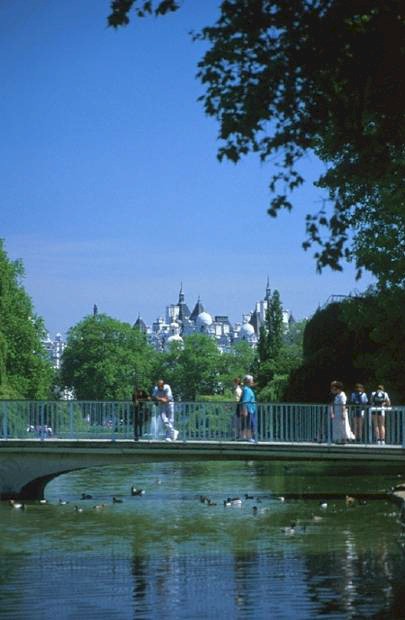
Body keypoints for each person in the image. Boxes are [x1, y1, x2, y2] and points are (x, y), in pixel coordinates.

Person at [239, 375, 257, 442]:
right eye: (252, 380)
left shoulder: (248, 389)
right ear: (248, 381)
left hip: (251, 410)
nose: (253, 382)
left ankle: (248, 437)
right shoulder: (246, 389)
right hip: (249, 410)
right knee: (249, 424)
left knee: (250, 423)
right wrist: (245, 410)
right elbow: (245, 401)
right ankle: (248, 437)